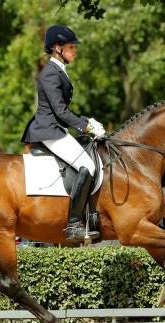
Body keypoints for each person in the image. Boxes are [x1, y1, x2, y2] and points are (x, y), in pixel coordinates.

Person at [20, 24, 106, 242]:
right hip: (48, 131)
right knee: (88, 166)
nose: (74, 50)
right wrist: (86, 127)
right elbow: (60, 111)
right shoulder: (50, 73)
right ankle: (74, 224)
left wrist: (87, 121)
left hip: (54, 127)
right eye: (70, 47)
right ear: (57, 48)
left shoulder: (58, 70)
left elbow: (63, 111)